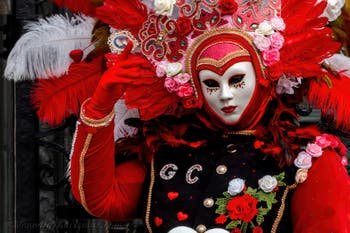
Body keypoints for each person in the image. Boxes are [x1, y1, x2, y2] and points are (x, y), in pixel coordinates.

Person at [4, 0, 350, 232]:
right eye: (211, 84)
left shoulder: (309, 161)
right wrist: (101, 105)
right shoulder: (165, 151)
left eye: (237, 80)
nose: (226, 95)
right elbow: (99, 199)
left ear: (262, 76)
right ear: (193, 87)